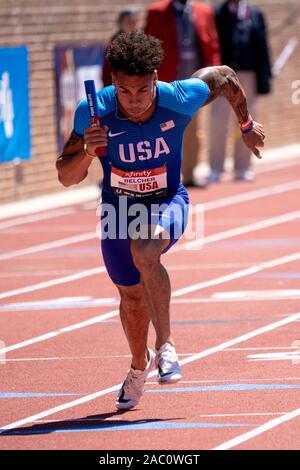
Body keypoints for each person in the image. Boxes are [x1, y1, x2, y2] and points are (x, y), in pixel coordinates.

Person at [56, 31, 265, 410]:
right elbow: (66, 176)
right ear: (112, 84)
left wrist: (246, 126)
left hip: (167, 201)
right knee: (132, 299)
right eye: (124, 92)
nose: (134, 102)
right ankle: (138, 369)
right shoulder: (93, 111)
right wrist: (88, 151)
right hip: (117, 211)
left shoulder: (180, 97)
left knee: (146, 247)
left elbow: (227, 78)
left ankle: (165, 344)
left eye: (142, 91)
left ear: (155, 78)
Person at [144, 0, 221, 187]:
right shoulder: (156, 12)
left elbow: (212, 44)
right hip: (165, 83)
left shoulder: (205, 11)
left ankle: (188, 174)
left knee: (192, 130)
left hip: (195, 85)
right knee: (161, 129)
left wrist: (214, 76)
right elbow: (148, 46)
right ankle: (160, 175)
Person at [208, 0, 272, 183]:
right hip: (222, 75)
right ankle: (216, 168)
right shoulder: (216, 13)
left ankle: (243, 167)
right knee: (218, 120)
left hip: (249, 75)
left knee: (248, 122)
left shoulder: (255, 14)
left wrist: (264, 81)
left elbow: (263, 48)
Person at [102, 7, 142, 88]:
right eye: (129, 21)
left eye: (135, 21)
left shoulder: (141, 41)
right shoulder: (113, 45)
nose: (133, 25)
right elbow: (108, 74)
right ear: (121, 23)